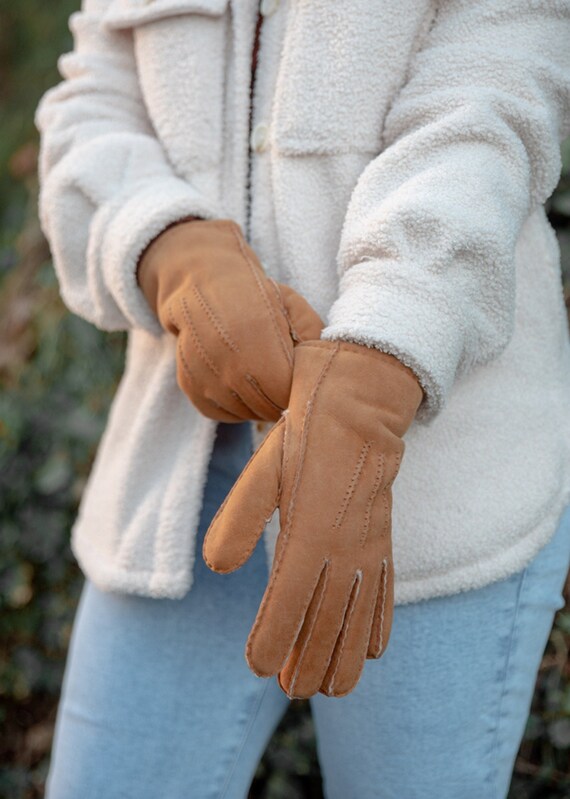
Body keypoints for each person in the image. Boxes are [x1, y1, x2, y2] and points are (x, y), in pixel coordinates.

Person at [36, 0, 570, 796]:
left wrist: (373, 381)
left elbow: (496, 96)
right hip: (180, 472)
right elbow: (93, 94)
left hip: (429, 481)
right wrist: (163, 244)